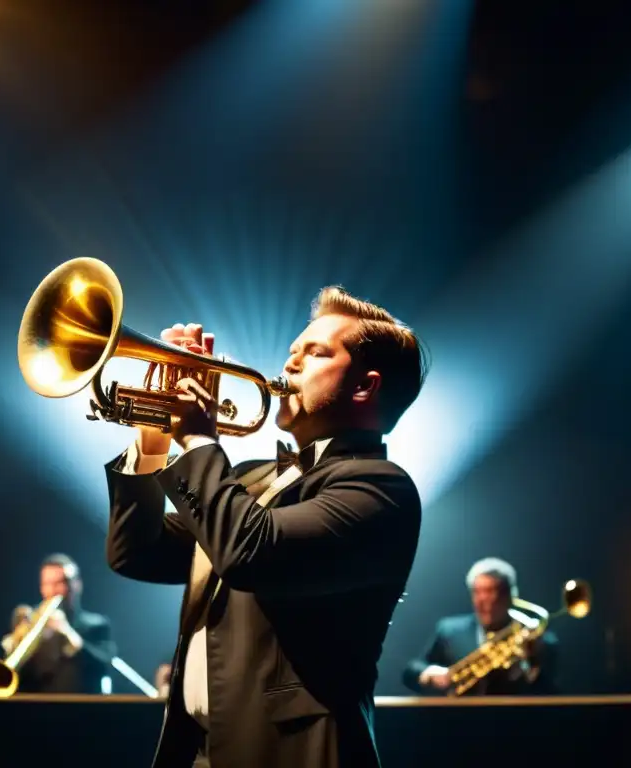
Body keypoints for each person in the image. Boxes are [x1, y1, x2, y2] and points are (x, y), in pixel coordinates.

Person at [105, 286, 428, 768]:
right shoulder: (251, 477)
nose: (289, 365)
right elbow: (138, 551)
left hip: (293, 754)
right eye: (292, 351)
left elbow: (248, 553)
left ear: (365, 387)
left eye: (314, 353)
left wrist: (196, 440)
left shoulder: (379, 488)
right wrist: (152, 437)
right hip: (199, 751)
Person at [402, 557, 559, 695]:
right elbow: (410, 671)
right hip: (459, 721)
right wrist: (428, 673)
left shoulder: (539, 639)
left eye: (492, 592)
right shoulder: (449, 631)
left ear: (510, 595)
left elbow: (551, 689)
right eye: (477, 592)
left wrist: (533, 663)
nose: (484, 600)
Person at [0, 553, 117, 694]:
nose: (53, 591)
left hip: (81, 708)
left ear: (77, 585)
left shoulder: (96, 624)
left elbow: (104, 664)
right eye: (47, 584)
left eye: (61, 583)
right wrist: (15, 643)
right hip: (36, 709)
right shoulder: (31, 622)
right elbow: (14, 675)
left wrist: (67, 632)